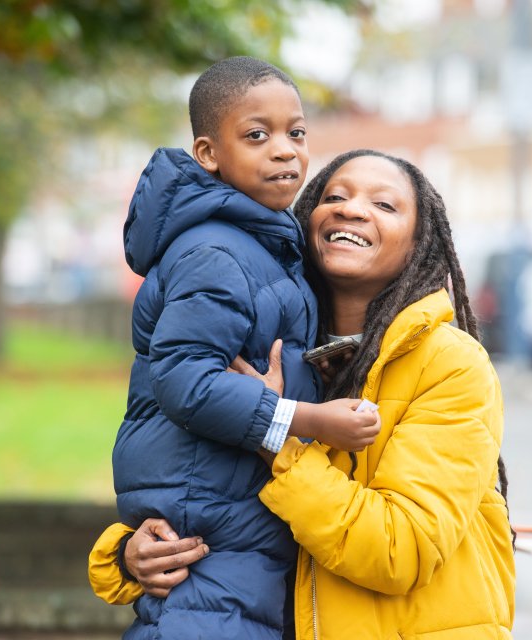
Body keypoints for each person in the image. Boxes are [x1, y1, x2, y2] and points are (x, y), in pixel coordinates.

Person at [92, 149, 517, 639]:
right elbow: (198, 485)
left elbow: (400, 549)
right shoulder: (268, 348)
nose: (352, 209)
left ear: (420, 243)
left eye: (385, 205)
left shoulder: (450, 364)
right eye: (335, 196)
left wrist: (276, 431)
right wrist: (129, 554)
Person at [104, 57, 380, 640]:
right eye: (257, 135)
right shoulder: (218, 254)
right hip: (207, 538)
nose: (284, 150)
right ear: (208, 153)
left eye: (296, 133)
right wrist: (304, 420)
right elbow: (184, 380)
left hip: (233, 525)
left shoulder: (265, 246)